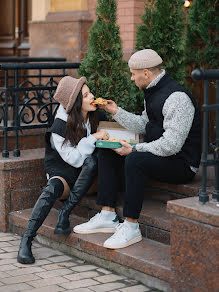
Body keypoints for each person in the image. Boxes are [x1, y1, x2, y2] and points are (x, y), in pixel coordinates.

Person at [73, 49, 202, 249]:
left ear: (146, 73)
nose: (132, 78)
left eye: (133, 74)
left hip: (182, 163)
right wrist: (115, 111)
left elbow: (171, 144)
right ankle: (107, 215)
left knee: (135, 159)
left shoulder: (177, 98)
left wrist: (135, 149)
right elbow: (144, 124)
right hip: (161, 155)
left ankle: (131, 226)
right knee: (108, 148)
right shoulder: (152, 92)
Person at [17, 76, 109, 264]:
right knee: (53, 188)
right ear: (75, 103)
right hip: (63, 171)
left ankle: (64, 213)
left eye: (90, 92)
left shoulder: (96, 115)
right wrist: (93, 138)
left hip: (87, 174)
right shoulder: (60, 126)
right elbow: (74, 159)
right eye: (86, 95)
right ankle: (26, 241)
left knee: (91, 162)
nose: (92, 97)